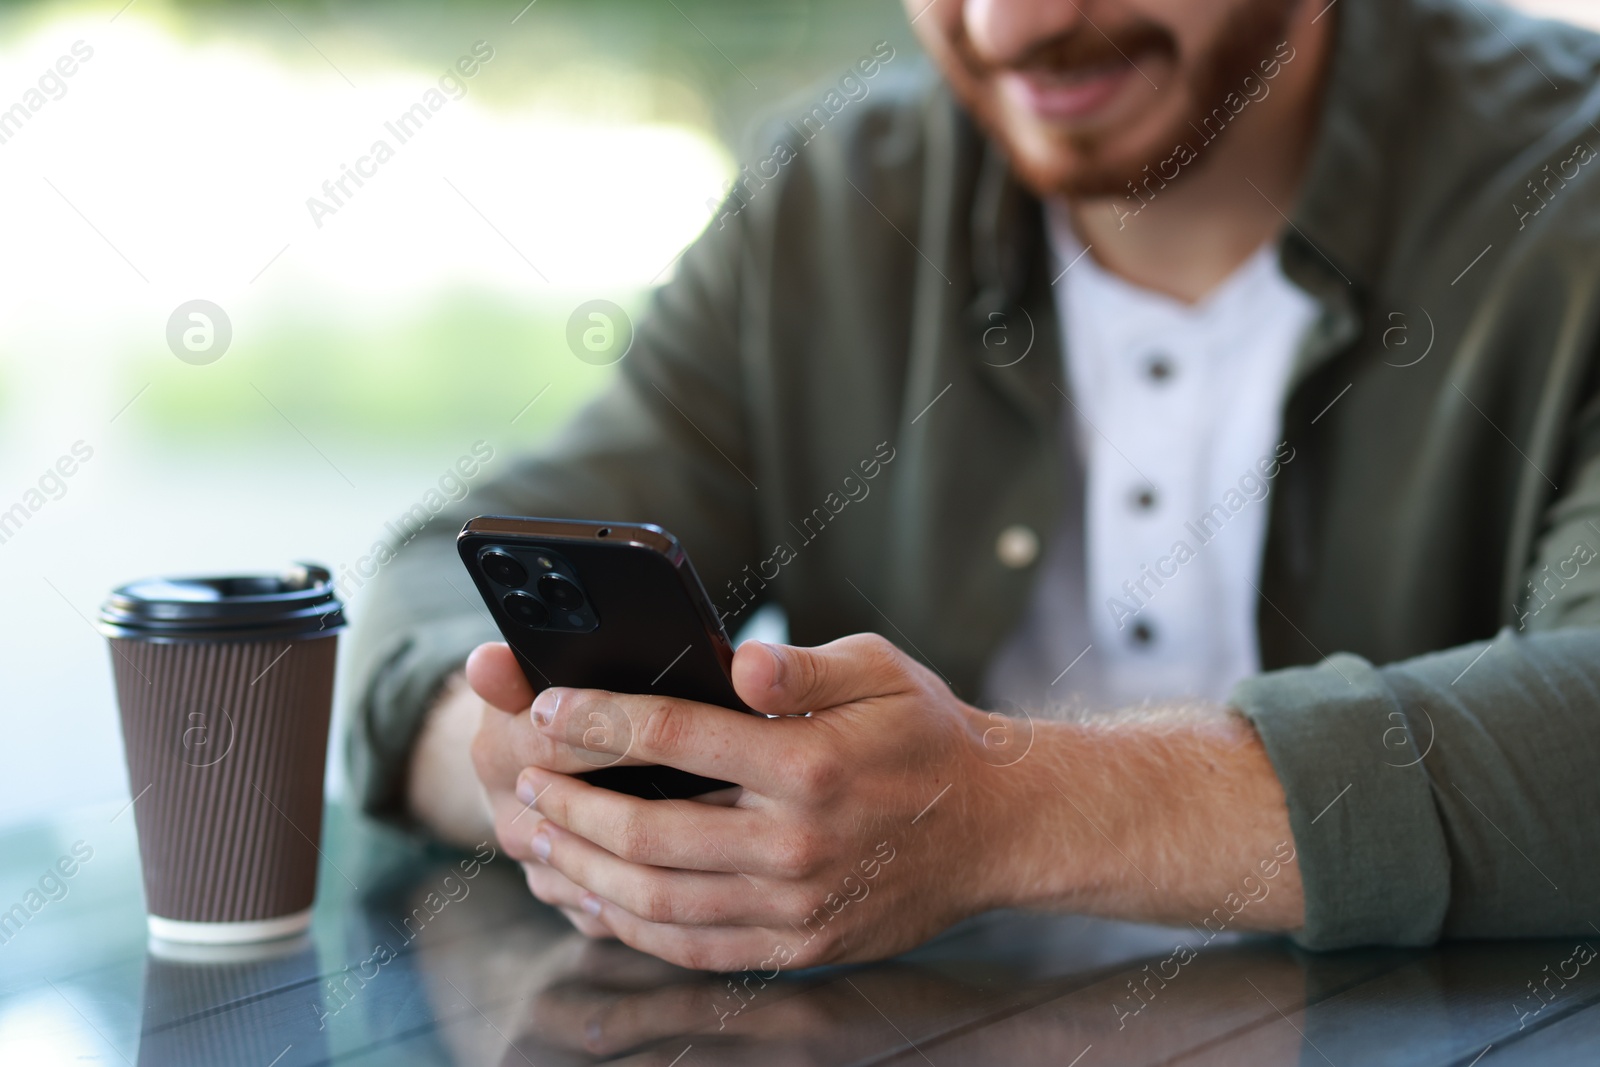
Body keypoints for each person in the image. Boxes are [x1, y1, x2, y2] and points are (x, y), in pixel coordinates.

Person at [346, 0, 1600, 972]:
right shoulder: (837, 207)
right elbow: (427, 592)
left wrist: (1003, 809)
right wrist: (546, 773)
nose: (1011, 32)